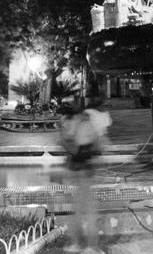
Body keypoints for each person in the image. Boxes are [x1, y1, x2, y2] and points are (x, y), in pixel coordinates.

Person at [60, 97, 112, 252]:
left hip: (78, 167)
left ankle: (81, 244)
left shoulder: (74, 123)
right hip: (84, 168)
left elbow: (73, 147)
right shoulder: (85, 122)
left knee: (80, 208)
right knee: (86, 209)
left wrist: (65, 141)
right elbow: (98, 143)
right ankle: (88, 245)